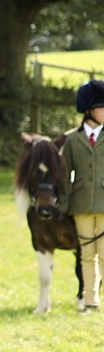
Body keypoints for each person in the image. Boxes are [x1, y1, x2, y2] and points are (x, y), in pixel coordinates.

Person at [62, 79, 104, 312]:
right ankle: (90, 301)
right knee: (87, 255)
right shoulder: (71, 139)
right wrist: (63, 206)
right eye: (102, 107)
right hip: (81, 204)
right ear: (89, 110)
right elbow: (64, 174)